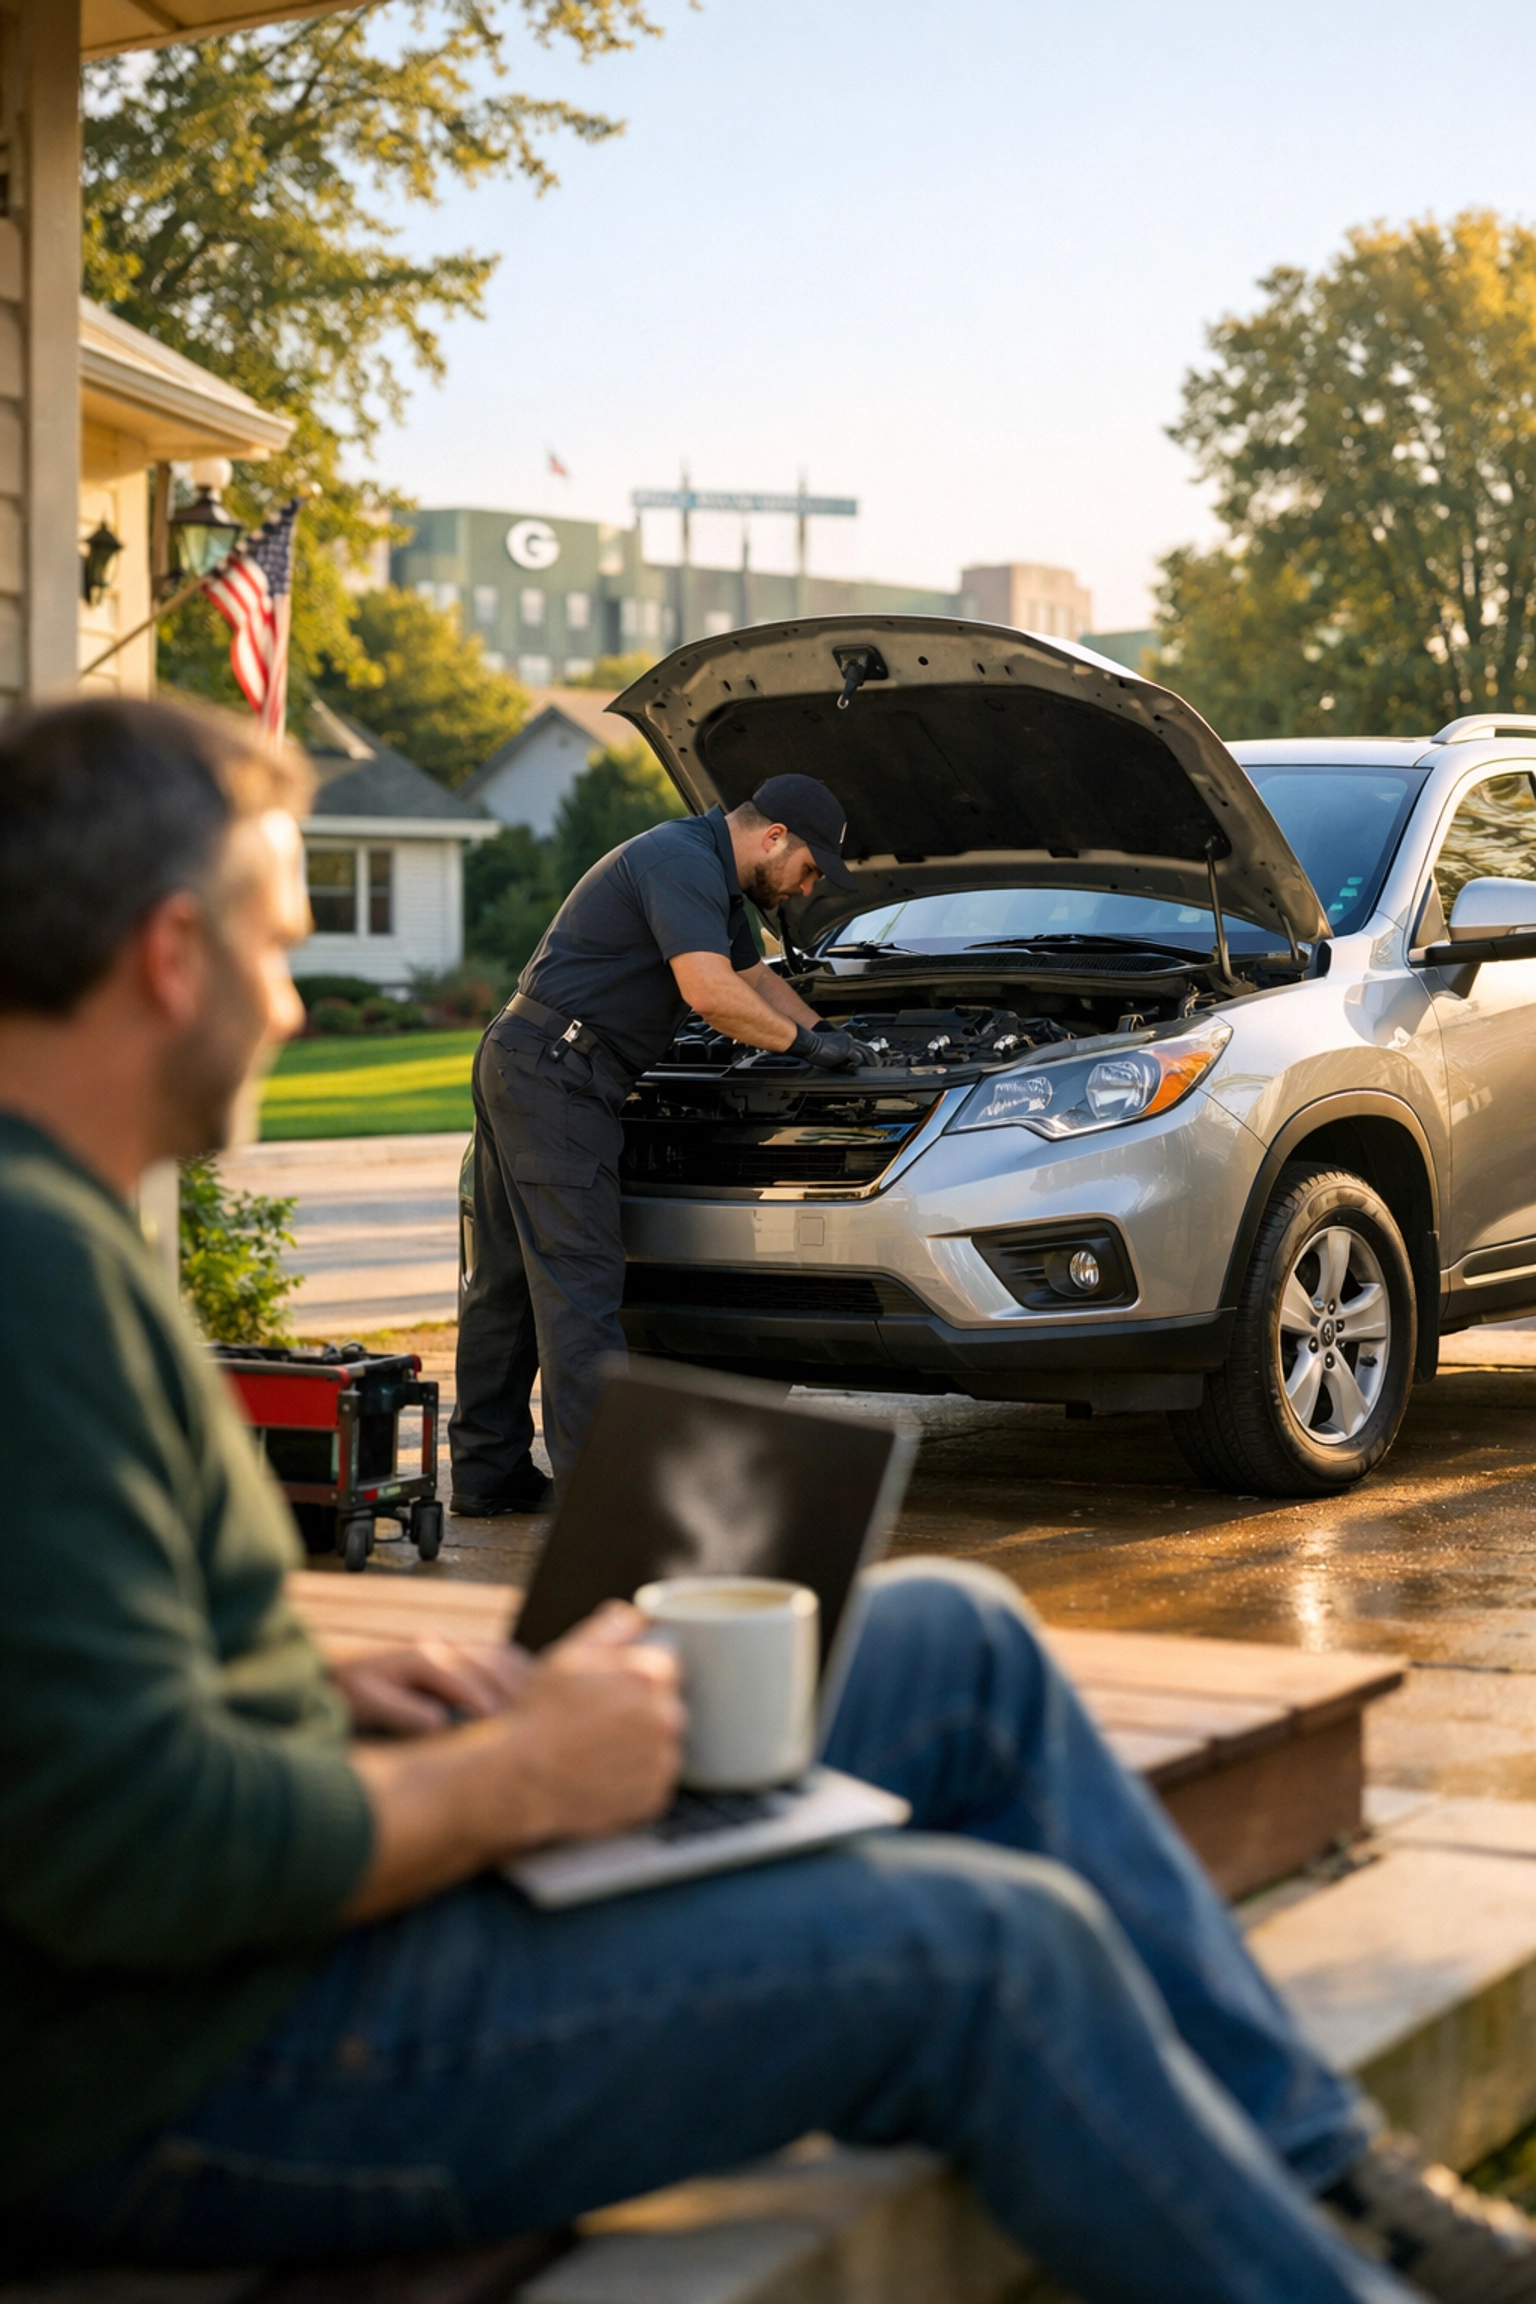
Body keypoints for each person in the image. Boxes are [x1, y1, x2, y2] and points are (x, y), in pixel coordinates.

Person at [0, 696, 1530, 2304]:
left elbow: (71, 1704)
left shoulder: (60, 1227)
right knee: (994, 1947)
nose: (289, 1006)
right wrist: (517, 1776)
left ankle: (1328, 2168)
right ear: (170, 955)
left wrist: (322, 1687)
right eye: (274, 946)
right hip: (201, 2064)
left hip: (251, 1931)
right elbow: (137, 1856)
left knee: (958, 1643)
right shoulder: (38, 1274)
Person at [449, 771, 873, 1510]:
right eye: (808, 869)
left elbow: (752, 978)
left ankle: (489, 1475)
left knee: (509, 1284)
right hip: (558, 1078)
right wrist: (803, 1050)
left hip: (526, 1059)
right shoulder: (680, 862)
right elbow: (709, 992)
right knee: (580, 1288)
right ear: (773, 837)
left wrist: (837, 1038)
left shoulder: (707, 870)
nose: (807, 890)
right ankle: (605, 1503)